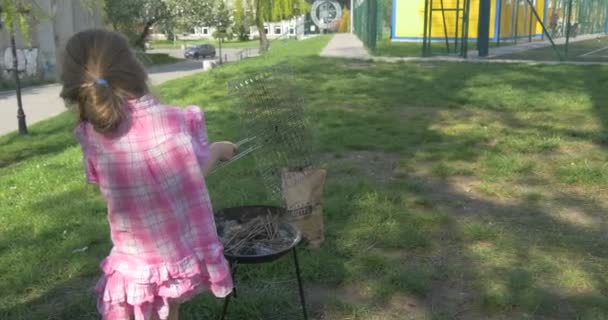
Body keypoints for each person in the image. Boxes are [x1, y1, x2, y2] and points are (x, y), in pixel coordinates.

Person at [60, 29, 235, 320]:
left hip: (133, 266)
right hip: (173, 258)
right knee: (169, 311)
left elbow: (101, 181)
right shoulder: (175, 120)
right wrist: (216, 150)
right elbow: (192, 175)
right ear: (135, 68)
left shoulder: (90, 136)